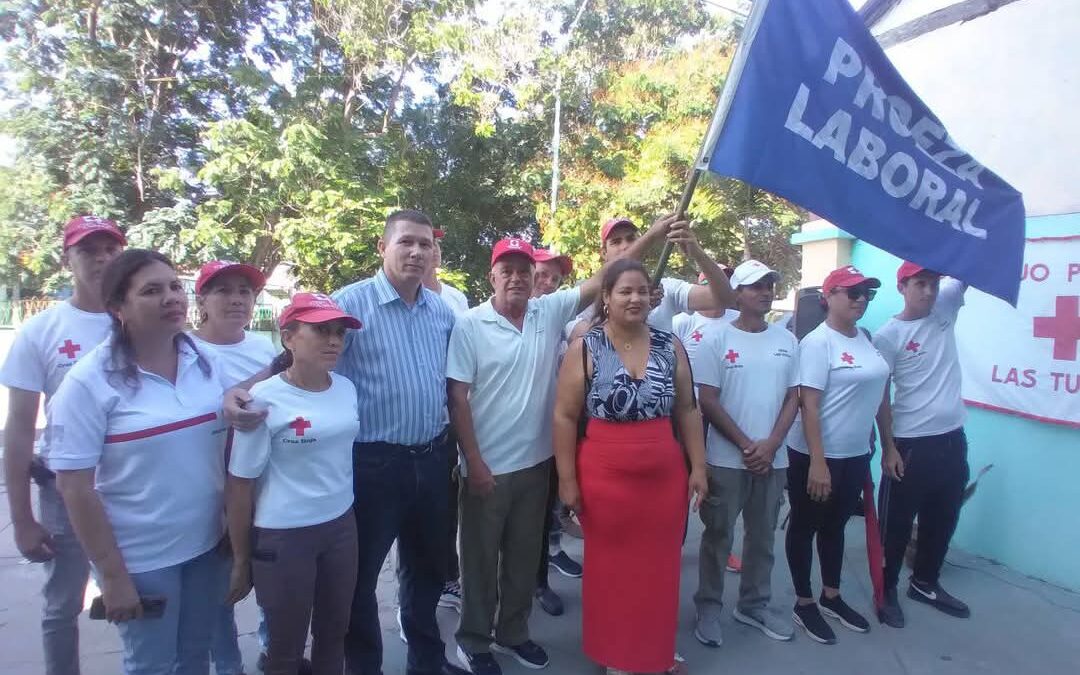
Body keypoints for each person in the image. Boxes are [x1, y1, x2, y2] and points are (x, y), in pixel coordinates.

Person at [48, 249, 232, 674]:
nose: (171, 298)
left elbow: (234, 416)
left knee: (194, 657)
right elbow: (73, 486)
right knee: (151, 664)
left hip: (207, 546)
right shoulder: (89, 382)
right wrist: (112, 576)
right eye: (151, 291)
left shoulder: (204, 361)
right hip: (143, 561)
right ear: (118, 309)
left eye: (174, 286)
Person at [447, 236, 612, 675]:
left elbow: (602, 281)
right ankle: (473, 641)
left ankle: (513, 634)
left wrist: (653, 234)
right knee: (481, 563)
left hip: (536, 467)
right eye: (508, 270)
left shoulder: (546, 311)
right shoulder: (471, 324)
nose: (517, 278)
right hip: (486, 469)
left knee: (523, 560)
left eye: (524, 270)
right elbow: (458, 398)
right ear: (493, 276)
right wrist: (474, 462)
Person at [552, 259, 708, 675]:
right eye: (625, 291)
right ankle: (617, 655)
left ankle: (654, 651)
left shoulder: (669, 344)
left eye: (642, 291)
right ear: (606, 297)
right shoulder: (585, 346)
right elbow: (565, 416)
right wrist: (567, 480)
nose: (635, 298)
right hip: (604, 478)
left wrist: (699, 467)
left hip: (663, 478)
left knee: (658, 572)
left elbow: (689, 410)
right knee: (612, 573)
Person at [1, 215, 125, 675]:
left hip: (135, 486)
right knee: (62, 604)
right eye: (88, 250)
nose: (101, 259)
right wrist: (22, 518)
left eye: (110, 250)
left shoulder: (138, 320)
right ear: (66, 258)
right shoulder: (42, 331)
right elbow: (17, 429)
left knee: (146, 590)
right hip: (67, 490)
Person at [226, 293, 362, 675]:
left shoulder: (346, 389)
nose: (334, 340)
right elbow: (240, 483)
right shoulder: (264, 399)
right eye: (320, 330)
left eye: (339, 332)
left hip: (340, 527)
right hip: (284, 536)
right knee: (285, 648)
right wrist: (240, 559)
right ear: (288, 338)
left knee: (335, 633)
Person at [691, 260, 798, 648]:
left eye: (770, 284)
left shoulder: (787, 340)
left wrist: (770, 445)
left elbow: (794, 397)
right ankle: (708, 607)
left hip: (774, 459)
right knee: (717, 536)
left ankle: (753, 605)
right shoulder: (715, 339)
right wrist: (745, 444)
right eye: (755, 286)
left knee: (762, 537)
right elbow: (708, 400)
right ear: (736, 293)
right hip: (726, 459)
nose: (765, 292)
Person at [785, 265, 894, 645]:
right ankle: (804, 602)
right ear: (827, 298)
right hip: (816, 457)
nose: (861, 299)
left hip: (855, 455)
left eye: (867, 293)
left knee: (834, 528)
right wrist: (818, 462)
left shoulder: (865, 338)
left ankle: (832, 595)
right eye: (852, 292)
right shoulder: (817, 343)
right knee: (805, 526)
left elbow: (880, 396)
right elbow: (808, 406)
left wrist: (889, 446)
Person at [188, 260, 283, 674]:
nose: (236, 299)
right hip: (206, 489)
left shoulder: (264, 348)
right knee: (219, 589)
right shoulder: (184, 351)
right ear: (202, 300)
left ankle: (272, 651)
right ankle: (227, 665)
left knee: (269, 579)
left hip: (261, 486)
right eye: (223, 290)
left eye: (244, 291)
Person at [873, 262, 972, 627]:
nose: (928, 291)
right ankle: (885, 590)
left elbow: (970, 263)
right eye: (919, 284)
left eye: (932, 283)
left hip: (952, 440)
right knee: (895, 527)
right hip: (910, 445)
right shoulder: (888, 336)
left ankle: (925, 583)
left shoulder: (945, 304)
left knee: (943, 519)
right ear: (902, 287)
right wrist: (888, 447)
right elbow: (880, 396)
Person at [566, 216, 734, 340]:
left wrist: (697, 252)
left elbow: (724, 299)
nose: (625, 246)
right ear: (603, 253)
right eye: (616, 242)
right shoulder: (586, 294)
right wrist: (638, 307)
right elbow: (584, 339)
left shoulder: (667, 288)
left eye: (631, 239)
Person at [529, 247, 583, 618]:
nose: (547, 283)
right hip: (508, 442)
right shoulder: (487, 317)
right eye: (542, 273)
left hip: (552, 435)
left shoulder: (561, 323)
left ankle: (539, 580)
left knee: (547, 508)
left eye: (555, 278)